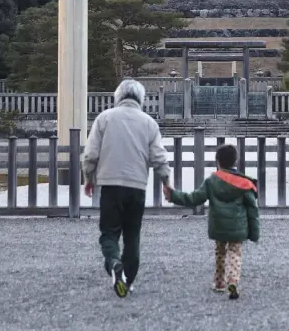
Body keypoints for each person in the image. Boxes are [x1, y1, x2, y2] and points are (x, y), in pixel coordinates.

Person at [81, 79, 171, 298]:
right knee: (132, 235)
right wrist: (166, 181)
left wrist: (88, 177)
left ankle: (113, 263)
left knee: (109, 233)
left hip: (110, 185)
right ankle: (128, 280)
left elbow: (91, 154)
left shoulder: (105, 118)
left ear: (118, 97)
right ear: (140, 98)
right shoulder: (149, 123)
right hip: (137, 186)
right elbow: (158, 156)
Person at [163, 144, 260, 300]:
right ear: (235, 161)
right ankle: (233, 280)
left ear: (218, 162)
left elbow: (194, 198)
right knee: (234, 253)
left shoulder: (212, 181)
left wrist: (173, 195)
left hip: (219, 226)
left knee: (220, 253)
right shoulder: (244, 183)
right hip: (238, 227)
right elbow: (253, 210)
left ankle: (220, 282)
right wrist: (254, 233)